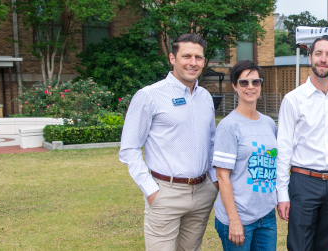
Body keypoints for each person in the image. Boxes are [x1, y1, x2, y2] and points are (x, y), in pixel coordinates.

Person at [118, 34, 218, 250]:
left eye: (198, 57)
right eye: (187, 56)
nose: (193, 62)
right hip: (165, 192)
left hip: (202, 192)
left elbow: (211, 143)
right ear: (172, 58)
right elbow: (129, 148)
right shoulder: (149, 96)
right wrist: (151, 191)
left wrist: (213, 182)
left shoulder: (205, 97)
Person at [276, 35, 328, 251]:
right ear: (310, 57)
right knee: (299, 246)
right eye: (319, 53)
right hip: (304, 183)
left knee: (325, 246)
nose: (323, 59)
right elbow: (283, 150)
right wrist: (282, 194)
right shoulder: (293, 100)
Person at [211, 61, 278, 251]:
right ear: (234, 86)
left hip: (266, 216)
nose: (250, 87)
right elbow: (222, 176)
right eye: (244, 82)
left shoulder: (268, 123)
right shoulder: (228, 126)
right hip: (238, 216)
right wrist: (234, 220)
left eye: (255, 82)